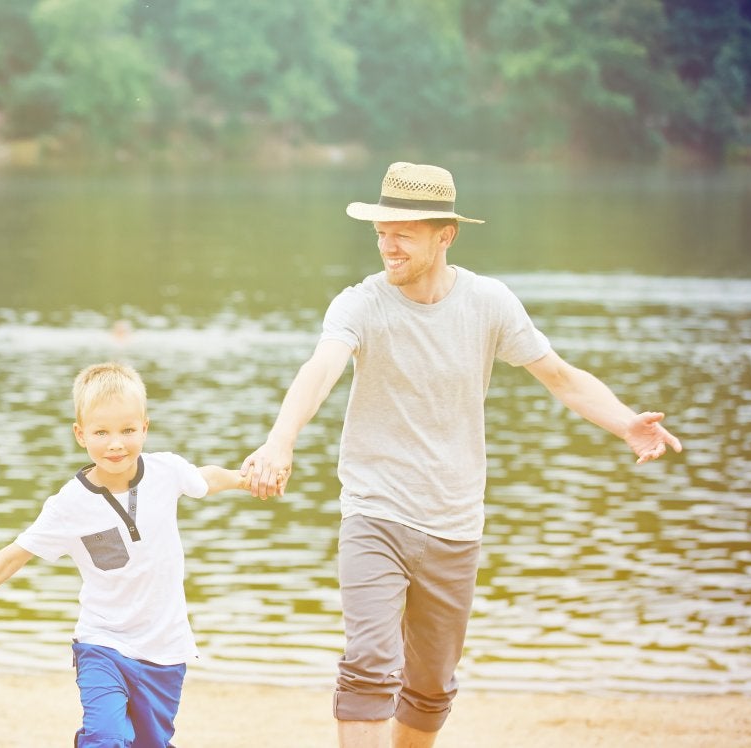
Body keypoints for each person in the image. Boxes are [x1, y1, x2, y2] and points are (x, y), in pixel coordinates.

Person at [239, 162, 683, 748]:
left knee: (428, 691)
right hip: (376, 514)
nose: (386, 244)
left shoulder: (489, 303)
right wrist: (280, 439)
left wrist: (626, 422)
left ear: (445, 235)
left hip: (455, 524)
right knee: (369, 664)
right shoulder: (360, 304)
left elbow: (559, 376)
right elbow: (320, 369)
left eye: (403, 232)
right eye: (380, 231)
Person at [0, 362, 247, 748]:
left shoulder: (167, 471)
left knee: (151, 743)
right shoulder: (69, 504)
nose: (115, 443)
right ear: (80, 434)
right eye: (101, 432)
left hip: (165, 650)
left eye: (128, 430)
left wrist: (244, 479)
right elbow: (12, 557)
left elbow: (207, 479)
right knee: (107, 738)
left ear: (145, 428)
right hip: (102, 644)